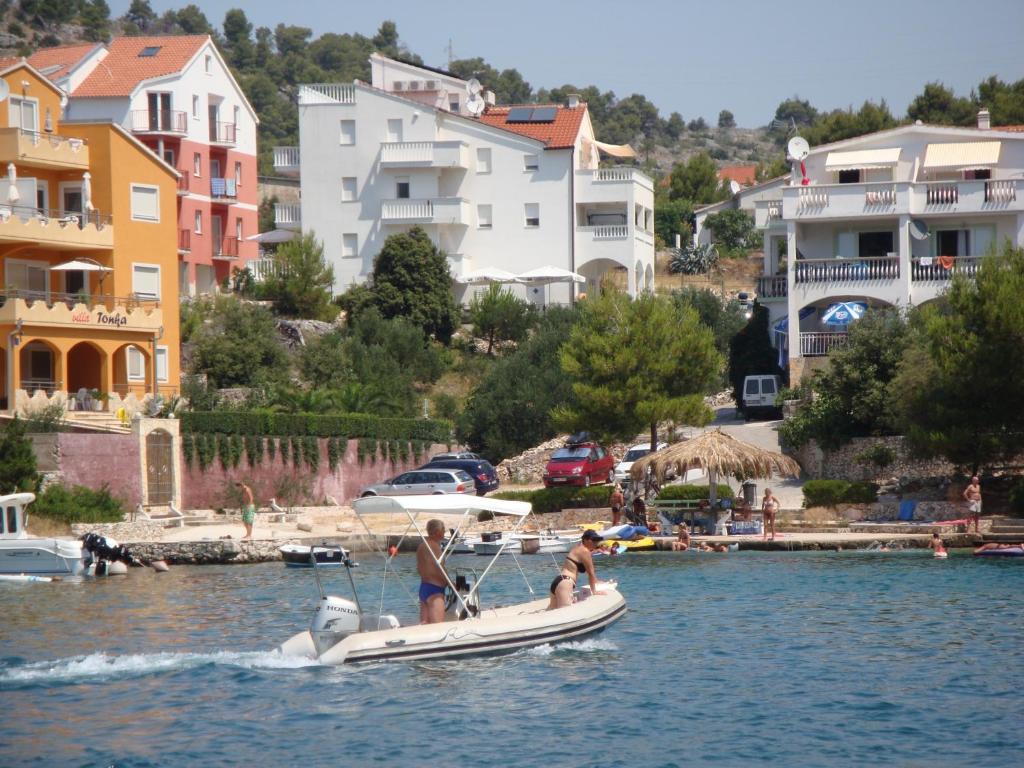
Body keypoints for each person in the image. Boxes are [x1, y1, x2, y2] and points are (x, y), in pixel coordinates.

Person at [549, 530, 605, 609]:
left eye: (597, 540)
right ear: (585, 540)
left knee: (552, 611)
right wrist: (594, 591)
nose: (595, 543)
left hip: (558, 581)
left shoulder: (577, 548)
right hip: (566, 583)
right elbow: (590, 573)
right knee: (565, 613)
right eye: (593, 540)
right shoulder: (585, 551)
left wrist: (596, 581)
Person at [417, 519, 449, 624]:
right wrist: (450, 583)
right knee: (437, 627)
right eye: (443, 529)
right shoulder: (435, 546)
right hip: (435, 590)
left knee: (425, 625)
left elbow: (419, 568)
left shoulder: (421, 546)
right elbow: (440, 569)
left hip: (424, 587)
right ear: (438, 532)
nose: (445, 532)